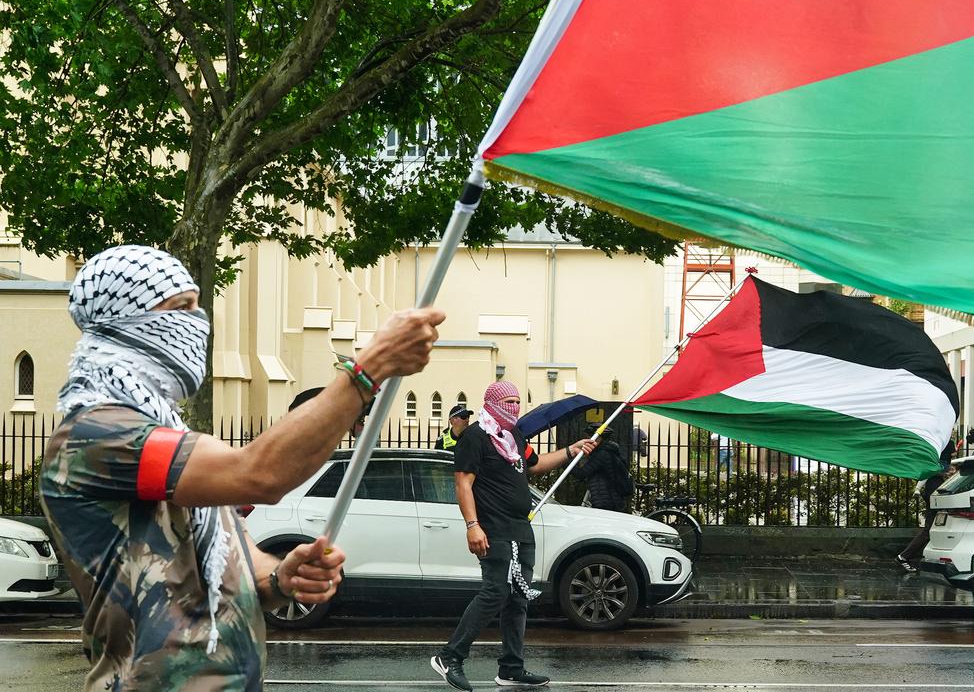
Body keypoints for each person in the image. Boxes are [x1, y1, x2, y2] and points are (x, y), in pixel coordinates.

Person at [39, 245, 444, 691]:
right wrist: (369, 370)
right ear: (123, 321)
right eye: (180, 308)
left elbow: (243, 566)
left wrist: (282, 578)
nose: (198, 321)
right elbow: (259, 474)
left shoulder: (167, 434)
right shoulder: (96, 436)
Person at [431, 381, 598, 691]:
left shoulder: (514, 436)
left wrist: (570, 450)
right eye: (509, 401)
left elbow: (534, 465)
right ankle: (449, 656)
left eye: (518, 402)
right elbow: (463, 485)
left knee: (517, 599)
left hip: (521, 528)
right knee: (495, 591)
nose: (515, 407)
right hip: (493, 528)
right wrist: (472, 525)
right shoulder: (475, 437)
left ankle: (512, 668)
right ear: (492, 402)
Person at [896, 441, 957, 573]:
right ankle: (905, 556)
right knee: (930, 530)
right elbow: (927, 471)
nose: (955, 450)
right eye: (953, 449)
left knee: (937, 528)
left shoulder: (941, 460)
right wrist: (918, 488)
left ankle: (936, 557)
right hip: (935, 494)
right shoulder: (941, 460)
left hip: (935, 493)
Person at [571, 428, 634, 513]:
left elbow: (581, 473)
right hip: (613, 499)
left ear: (597, 438)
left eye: (588, 438)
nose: (585, 442)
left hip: (605, 501)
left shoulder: (602, 454)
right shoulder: (611, 451)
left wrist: (563, 461)